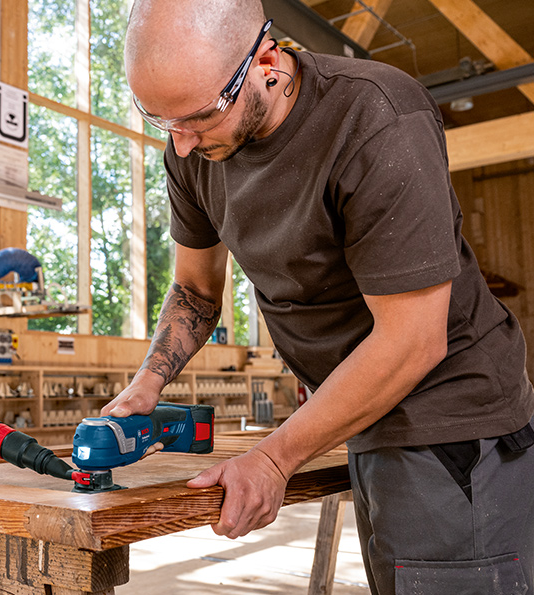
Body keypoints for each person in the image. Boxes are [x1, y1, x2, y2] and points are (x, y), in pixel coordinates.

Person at [101, 0, 534, 593]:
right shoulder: (193, 146)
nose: (180, 144)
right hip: (359, 412)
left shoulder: (376, 119)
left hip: (448, 420)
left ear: (267, 62)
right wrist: (146, 385)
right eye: (160, 121)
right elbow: (196, 289)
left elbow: (414, 339)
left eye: (199, 117)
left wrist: (276, 458)